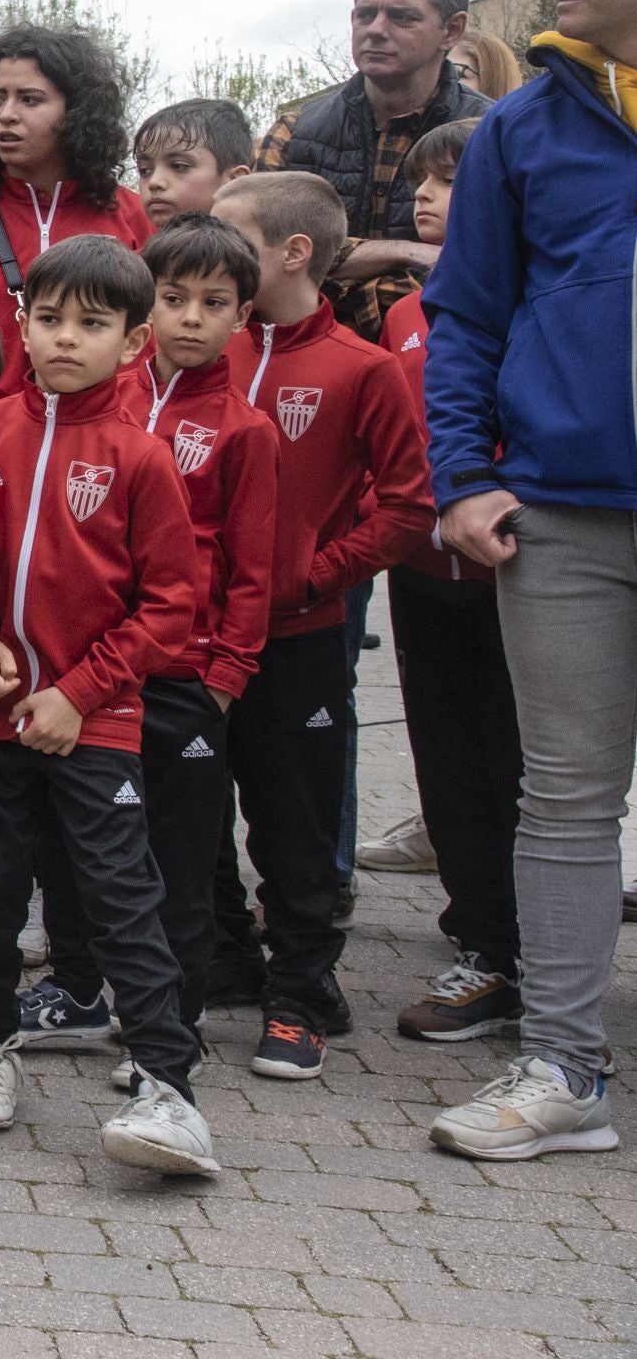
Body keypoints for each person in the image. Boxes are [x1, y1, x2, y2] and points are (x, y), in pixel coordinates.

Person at [421, 0, 637, 1161]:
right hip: (560, 511)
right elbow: (466, 317)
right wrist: (465, 475)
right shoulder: (524, 128)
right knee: (564, 797)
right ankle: (564, 1068)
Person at [0, 236, 216, 1176]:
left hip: (94, 721)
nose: (65, 339)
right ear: (21, 322)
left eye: (92, 325)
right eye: (49, 319)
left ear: (134, 343)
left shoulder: (141, 459)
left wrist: (79, 692)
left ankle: (169, 1084)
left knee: (119, 897)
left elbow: (173, 605)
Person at [24, 216, 277, 1061]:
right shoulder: (103, 405)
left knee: (174, 858)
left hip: (180, 679)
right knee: (76, 847)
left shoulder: (243, 429)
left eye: (213, 303)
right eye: (175, 299)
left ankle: (177, 1020)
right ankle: (79, 989)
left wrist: (225, 676)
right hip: (89, 675)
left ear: (243, 316)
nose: (191, 319)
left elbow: (245, 567)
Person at [208, 171, 432, 1082]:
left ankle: (300, 997)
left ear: (295, 253)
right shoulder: (198, 353)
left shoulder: (361, 367)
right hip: (192, 636)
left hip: (297, 639)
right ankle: (224, 963)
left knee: (293, 824)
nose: (212, 260)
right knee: (187, 815)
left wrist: (317, 575)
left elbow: (408, 506)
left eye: (233, 242)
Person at [375, 117, 523, 1045]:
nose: (425, 198)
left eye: (450, 183)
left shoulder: (532, 300)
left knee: (517, 769)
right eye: (421, 182)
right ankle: (484, 935)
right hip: (425, 576)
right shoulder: (399, 314)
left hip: (518, 577)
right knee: (446, 761)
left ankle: (526, 948)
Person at [255, 0, 489, 344]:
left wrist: (335, 276)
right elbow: (259, 252)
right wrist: (411, 252)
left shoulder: (494, 135)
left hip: (444, 365)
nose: (376, 29)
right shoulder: (293, 134)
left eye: (401, 16)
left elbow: (492, 265)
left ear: (451, 30)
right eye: (366, 14)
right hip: (302, 365)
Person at [0, 26, 151, 401]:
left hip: (104, 449)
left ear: (76, 112)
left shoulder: (131, 216)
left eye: (30, 99)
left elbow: (152, 351)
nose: (6, 115)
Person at [131, 97, 254, 232]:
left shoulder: (268, 251)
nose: (154, 183)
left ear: (235, 181)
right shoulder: (132, 253)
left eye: (178, 166)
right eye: (144, 170)